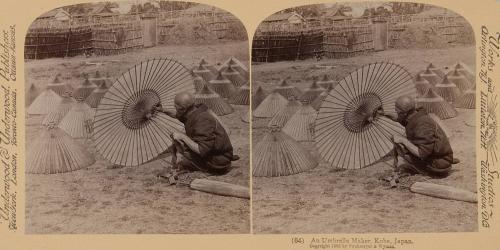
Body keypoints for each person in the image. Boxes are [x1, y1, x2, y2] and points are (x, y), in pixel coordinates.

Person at [153, 92, 238, 177]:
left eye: (176, 107)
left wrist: (183, 136)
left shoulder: (202, 120)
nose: (175, 109)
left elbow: (202, 150)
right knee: (180, 142)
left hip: (219, 161)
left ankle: (205, 168)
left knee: (182, 148)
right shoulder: (194, 110)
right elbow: (176, 115)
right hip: (215, 152)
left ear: (183, 109)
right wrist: (163, 110)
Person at [378, 95, 456, 177]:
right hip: (436, 155)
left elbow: (421, 153)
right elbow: (398, 118)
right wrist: (384, 114)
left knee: (402, 148)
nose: (396, 112)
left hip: (440, 164)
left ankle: (425, 171)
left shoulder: (423, 125)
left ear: (405, 113)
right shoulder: (415, 115)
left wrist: (403, 140)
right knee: (404, 145)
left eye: (398, 111)